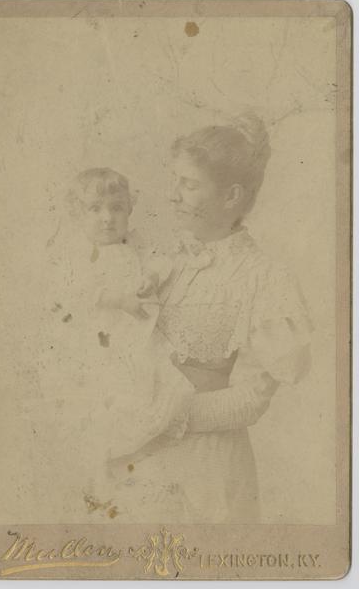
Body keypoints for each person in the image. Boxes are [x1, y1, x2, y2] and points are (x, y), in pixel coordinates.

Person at [129, 114, 313, 523]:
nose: (173, 195)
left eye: (189, 185)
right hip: (140, 458)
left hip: (209, 468)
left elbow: (251, 400)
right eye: (174, 180)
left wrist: (166, 416)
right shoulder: (165, 260)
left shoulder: (263, 277)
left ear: (231, 197)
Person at [32, 167, 194, 521]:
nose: (107, 218)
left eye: (117, 208)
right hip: (90, 346)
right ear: (78, 213)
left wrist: (150, 278)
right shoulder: (75, 253)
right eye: (95, 209)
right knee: (96, 412)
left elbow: (162, 261)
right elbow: (70, 291)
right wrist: (120, 299)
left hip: (133, 342)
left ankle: (129, 479)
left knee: (143, 394)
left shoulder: (135, 244)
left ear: (129, 210)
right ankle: (98, 486)